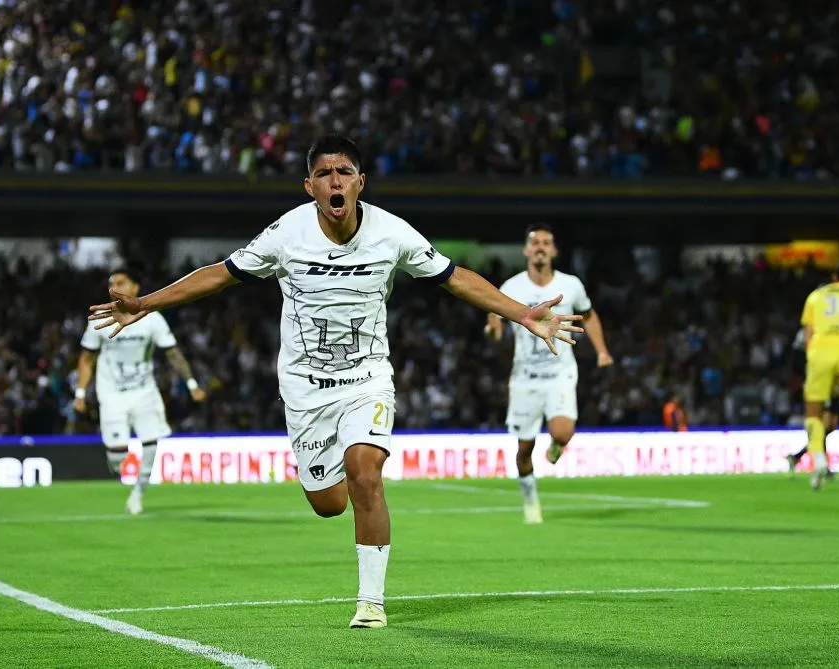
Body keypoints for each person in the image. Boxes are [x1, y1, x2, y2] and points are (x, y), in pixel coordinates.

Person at [88, 136, 584, 629]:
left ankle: (371, 602)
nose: (335, 181)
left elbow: (454, 277)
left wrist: (522, 314)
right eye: (324, 174)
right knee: (328, 504)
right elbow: (221, 273)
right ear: (310, 186)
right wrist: (146, 303)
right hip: (304, 388)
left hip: (367, 378)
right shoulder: (287, 233)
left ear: (360, 182)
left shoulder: (392, 232)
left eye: (344, 172)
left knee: (366, 473)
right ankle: (332, 476)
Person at [483, 224, 612, 524]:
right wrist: (493, 331)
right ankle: (530, 500)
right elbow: (494, 320)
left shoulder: (571, 285)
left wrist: (602, 350)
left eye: (546, 242)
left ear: (554, 250)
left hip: (560, 374)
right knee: (524, 449)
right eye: (535, 242)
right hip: (525, 378)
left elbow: (589, 315)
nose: (540, 247)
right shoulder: (511, 287)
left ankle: (557, 445)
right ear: (526, 250)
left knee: (563, 432)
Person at [75, 267, 207, 514]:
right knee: (117, 456)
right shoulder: (100, 319)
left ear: (135, 287)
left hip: (144, 391)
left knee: (150, 444)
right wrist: (80, 393)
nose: (114, 288)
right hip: (111, 393)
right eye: (112, 283)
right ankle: (121, 473)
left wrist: (192, 384)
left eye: (121, 282)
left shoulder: (152, 318)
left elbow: (172, 353)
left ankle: (137, 495)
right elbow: (86, 358)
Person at [793, 260, 839, 489]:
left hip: (822, 354)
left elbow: (808, 336)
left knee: (813, 412)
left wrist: (813, 365)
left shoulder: (816, 296)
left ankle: (818, 460)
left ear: (835, 276)